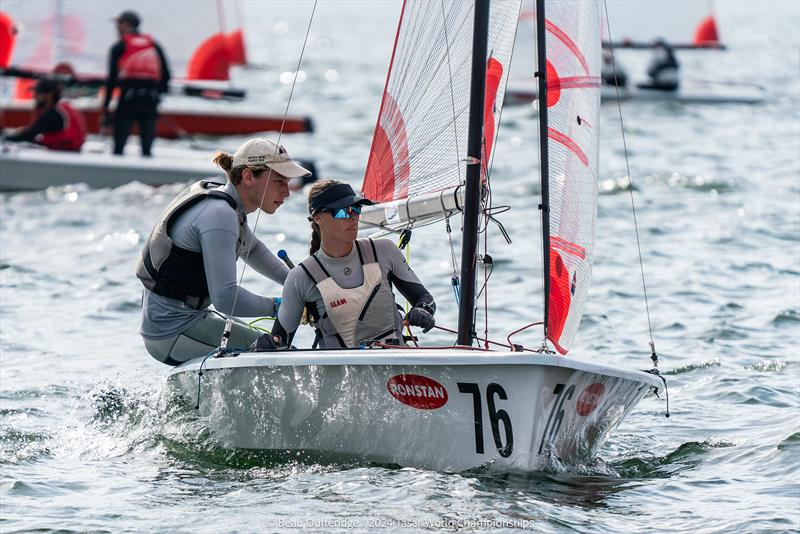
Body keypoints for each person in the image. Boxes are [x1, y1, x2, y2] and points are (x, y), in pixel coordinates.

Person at [135, 138, 311, 365]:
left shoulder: (227, 205)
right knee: (285, 356)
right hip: (171, 331)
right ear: (248, 177)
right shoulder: (220, 214)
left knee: (277, 349)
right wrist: (281, 307)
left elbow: (253, 250)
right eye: (279, 181)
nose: (287, 192)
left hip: (182, 320)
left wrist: (303, 285)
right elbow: (226, 299)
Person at [264, 179, 436, 350]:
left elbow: (426, 300)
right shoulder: (301, 277)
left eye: (356, 209)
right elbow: (279, 343)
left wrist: (423, 311)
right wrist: (268, 344)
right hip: (338, 374)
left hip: (397, 366)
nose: (353, 217)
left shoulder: (384, 251)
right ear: (318, 218)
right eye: (343, 212)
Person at [100, 10, 170, 157]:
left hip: (128, 100)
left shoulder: (119, 47)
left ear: (126, 25)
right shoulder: (154, 45)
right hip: (150, 100)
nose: (116, 28)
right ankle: (148, 178)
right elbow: (166, 75)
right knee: (146, 151)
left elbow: (111, 80)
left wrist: (106, 108)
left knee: (118, 149)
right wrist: (158, 96)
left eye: (119, 24)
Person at [2, 79, 86, 151]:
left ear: (49, 95)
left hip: (65, 156)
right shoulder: (62, 108)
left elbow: (29, 134)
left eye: (38, 93)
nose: (35, 96)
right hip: (70, 152)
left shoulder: (52, 114)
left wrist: (5, 138)